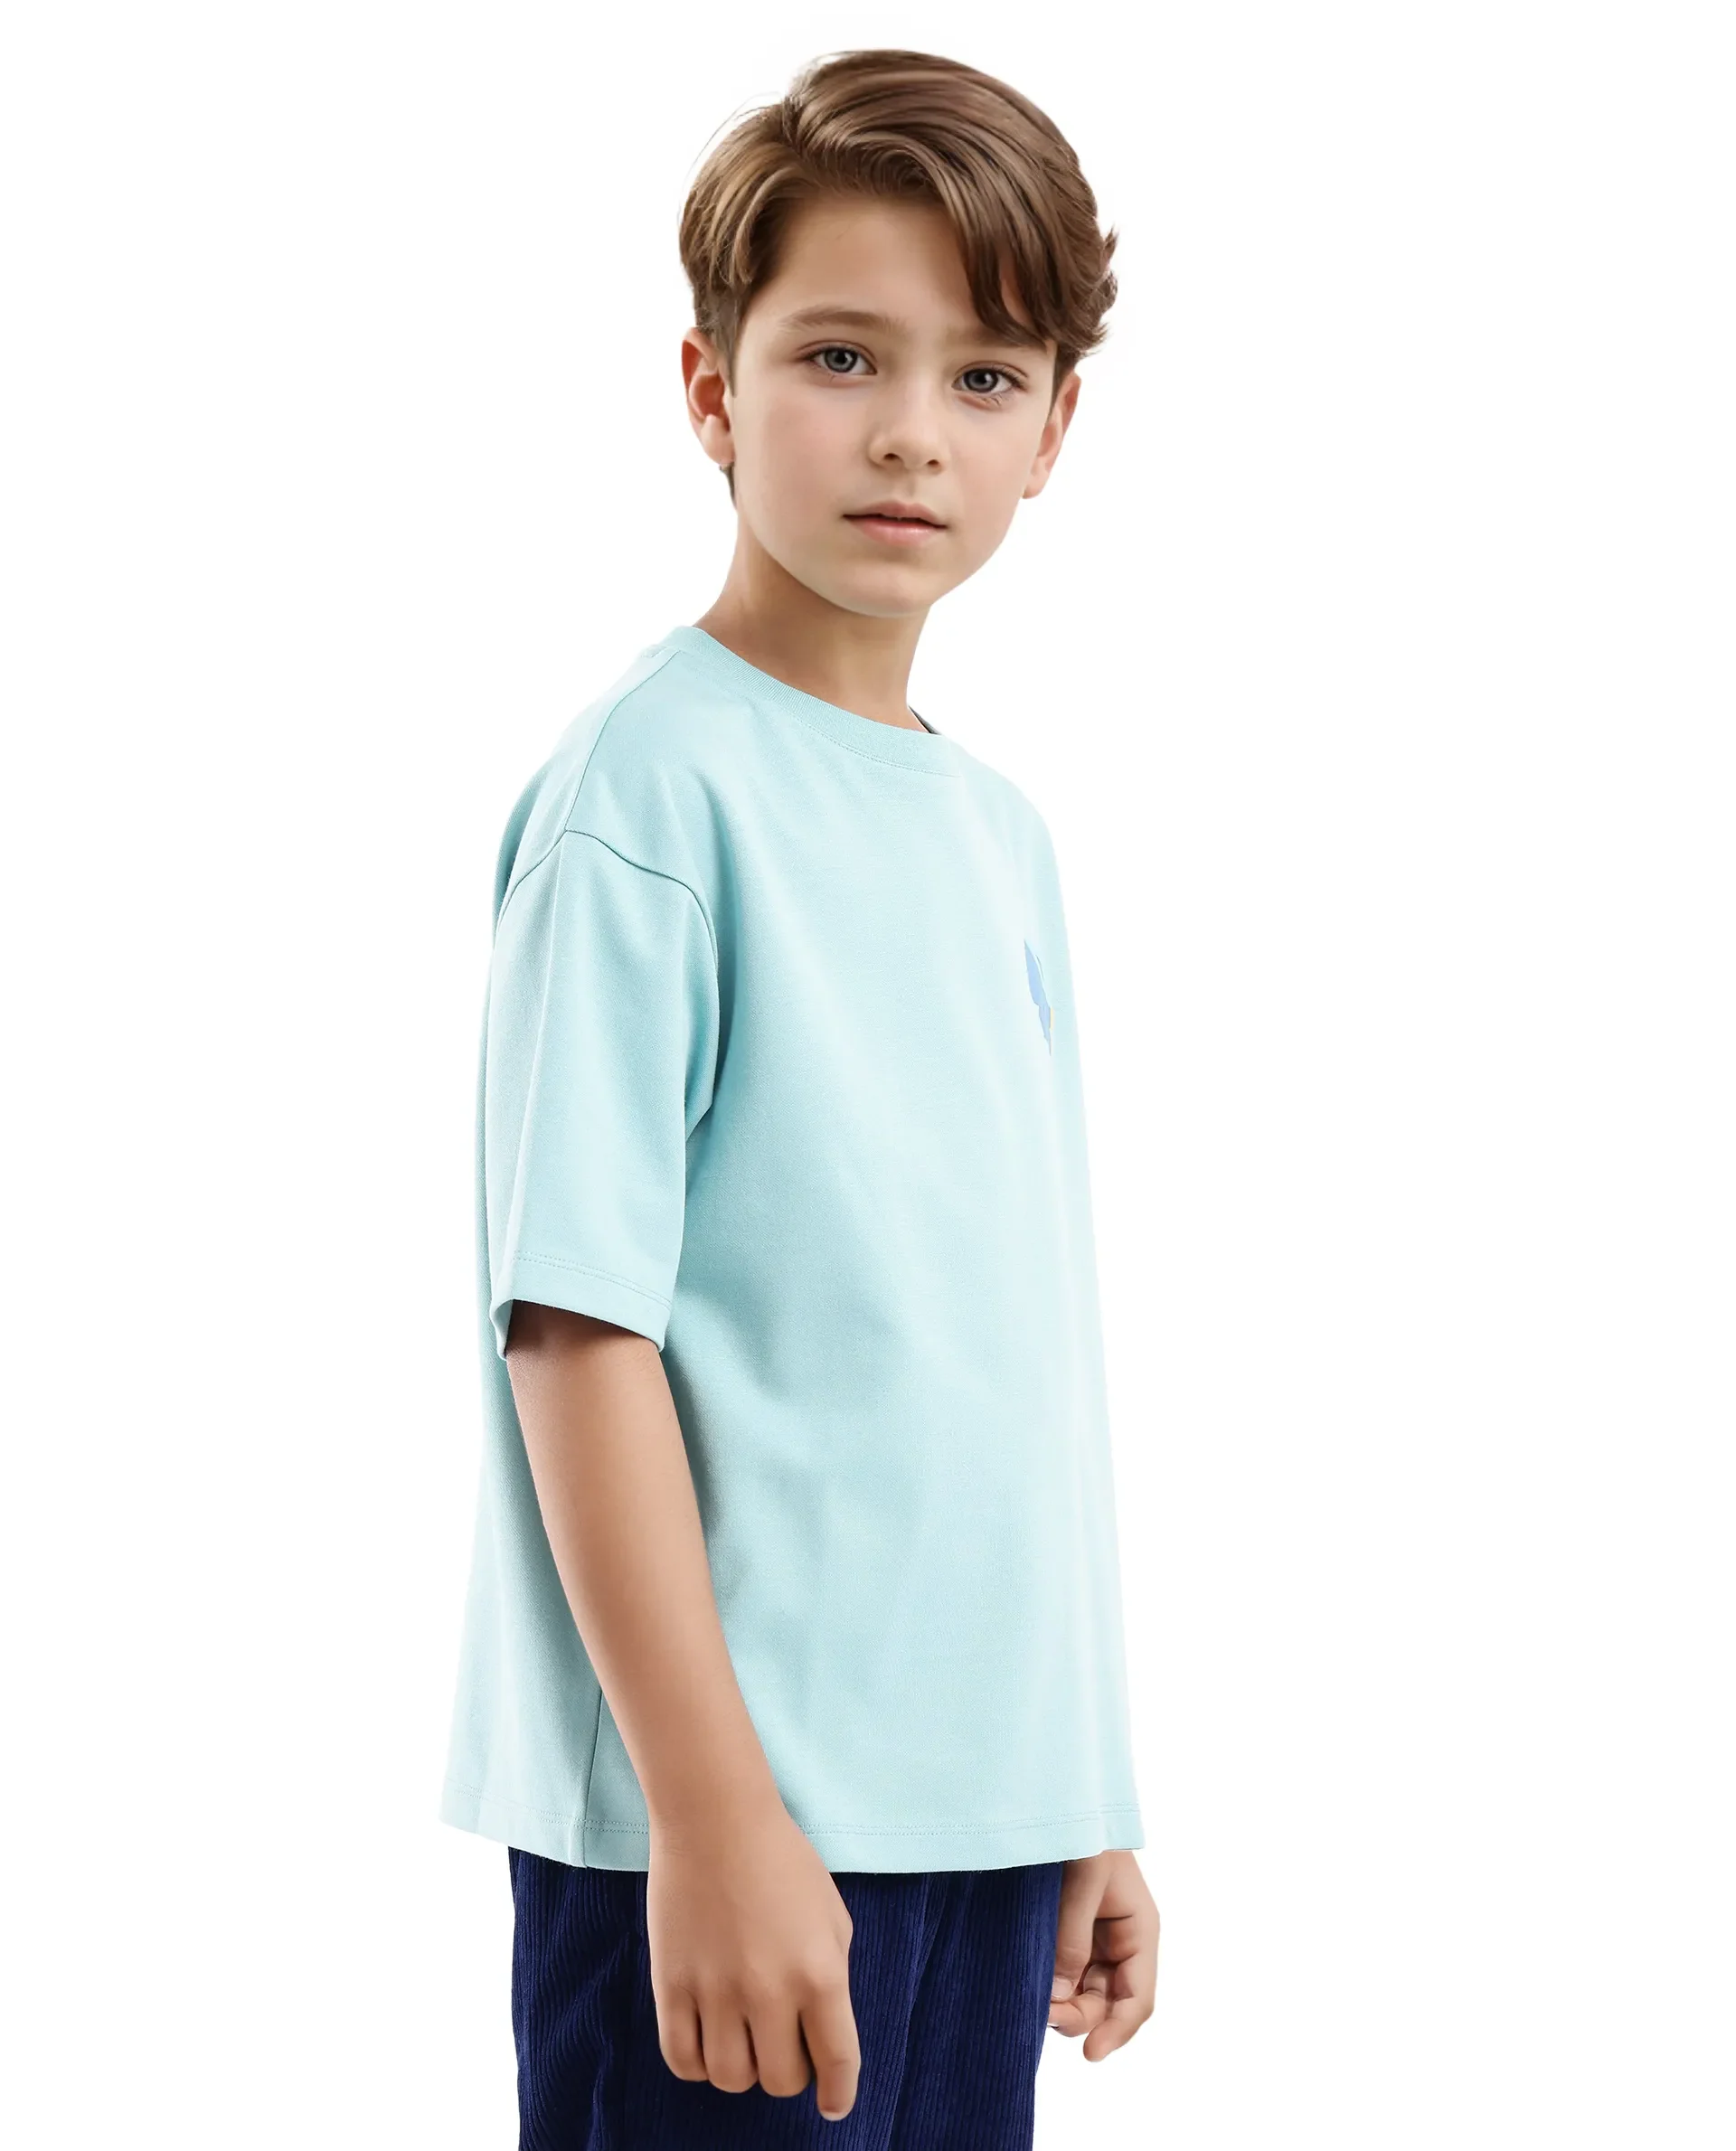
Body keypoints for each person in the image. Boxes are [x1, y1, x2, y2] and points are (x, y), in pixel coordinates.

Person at [439, 45, 1160, 2146]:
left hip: (975, 1818)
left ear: (1054, 428)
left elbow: (1010, 1360)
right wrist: (711, 1812)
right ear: (712, 390)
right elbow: (576, 1330)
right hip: (733, 1821)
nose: (911, 430)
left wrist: (1078, 1785)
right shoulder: (648, 797)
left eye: (984, 374)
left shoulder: (998, 835)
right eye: (842, 356)